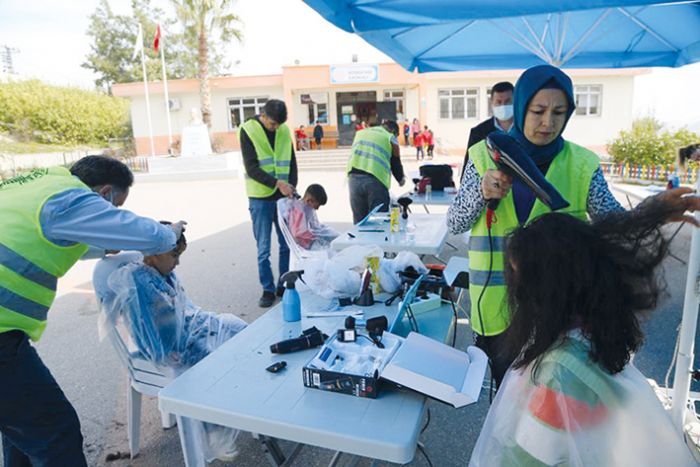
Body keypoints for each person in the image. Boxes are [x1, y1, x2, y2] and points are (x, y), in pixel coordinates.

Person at [447, 64, 696, 390]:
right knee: (509, 406)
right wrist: (480, 193)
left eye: (558, 112)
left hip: (561, 312)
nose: (547, 122)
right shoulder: (484, 156)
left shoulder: (582, 164)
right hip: (497, 312)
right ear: (522, 107)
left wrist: (653, 211)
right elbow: (455, 222)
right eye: (538, 111)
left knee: (558, 409)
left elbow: (614, 222)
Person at [469, 196, 699, 467]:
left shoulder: (559, 375)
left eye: (523, 282)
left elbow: (530, 459)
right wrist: (648, 215)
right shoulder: (592, 328)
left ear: (549, 290)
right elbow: (593, 242)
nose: (518, 293)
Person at [0, 155, 185, 467]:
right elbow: (151, 235)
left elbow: (53, 234)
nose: (110, 213)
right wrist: (171, 233)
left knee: (21, 427)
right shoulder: (70, 198)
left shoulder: (40, 184)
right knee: (56, 435)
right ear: (103, 194)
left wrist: (105, 247)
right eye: (113, 207)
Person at [93, 229, 246, 461]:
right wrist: (190, 338)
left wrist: (202, 324)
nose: (178, 262)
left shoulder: (160, 271)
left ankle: (244, 402)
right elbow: (158, 339)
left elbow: (185, 309)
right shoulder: (139, 282)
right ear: (152, 254)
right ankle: (213, 426)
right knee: (211, 360)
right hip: (170, 351)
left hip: (184, 332)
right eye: (174, 255)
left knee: (237, 327)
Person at [240, 99, 298, 308]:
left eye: (278, 125)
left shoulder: (283, 130)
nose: (275, 128)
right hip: (260, 197)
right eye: (272, 124)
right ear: (263, 115)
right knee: (263, 247)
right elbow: (251, 167)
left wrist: (291, 186)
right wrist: (277, 183)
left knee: (286, 244)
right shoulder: (247, 130)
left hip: (282, 197)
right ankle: (267, 288)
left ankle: (283, 283)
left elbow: (291, 162)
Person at [347, 120, 407, 224]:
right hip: (375, 181)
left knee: (359, 224)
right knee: (379, 221)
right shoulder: (390, 137)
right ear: (393, 131)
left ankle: (359, 240)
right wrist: (401, 179)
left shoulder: (361, 133)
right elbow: (395, 162)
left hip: (353, 180)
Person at [460, 81, 514, 180]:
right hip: (487, 191)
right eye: (498, 102)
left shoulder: (526, 130)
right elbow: (468, 173)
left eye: (508, 102)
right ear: (492, 103)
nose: (503, 106)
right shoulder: (478, 132)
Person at [278, 184, 338, 250]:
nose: (317, 208)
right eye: (317, 205)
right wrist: (316, 236)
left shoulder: (308, 208)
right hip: (305, 246)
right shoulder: (299, 211)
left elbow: (315, 226)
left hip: (310, 242)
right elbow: (297, 234)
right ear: (309, 201)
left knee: (336, 239)